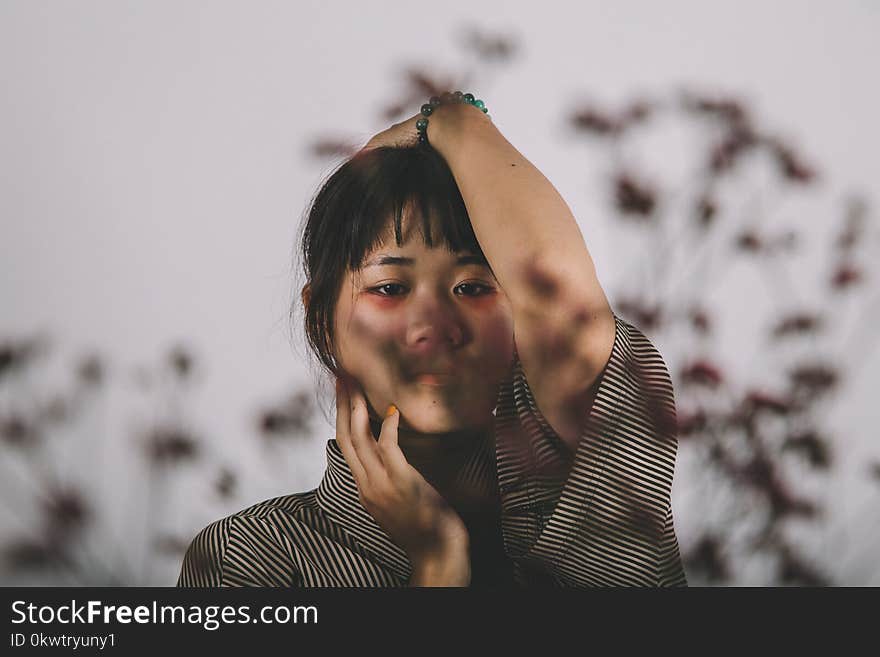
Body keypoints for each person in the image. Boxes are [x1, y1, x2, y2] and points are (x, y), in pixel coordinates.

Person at [177, 93, 687, 587]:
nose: (434, 324)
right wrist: (438, 565)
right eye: (391, 288)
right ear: (321, 319)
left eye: (472, 287)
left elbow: (556, 297)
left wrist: (452, 119)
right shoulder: (249, 559)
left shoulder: (591, 498)